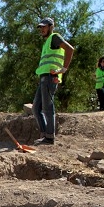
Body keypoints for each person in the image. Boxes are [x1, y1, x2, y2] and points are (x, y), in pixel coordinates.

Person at [32, 17, 74, 145]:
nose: (42, 29)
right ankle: (44, 134)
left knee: (47, 107)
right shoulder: (46, 43)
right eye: (41, 27)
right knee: (35, 108)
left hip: (51, 77)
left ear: (51, 27)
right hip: (44, 77)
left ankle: (49, 137)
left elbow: (70, 49)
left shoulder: (55, 37)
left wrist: (64, 69)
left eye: (44, 27)